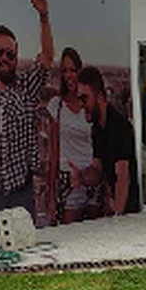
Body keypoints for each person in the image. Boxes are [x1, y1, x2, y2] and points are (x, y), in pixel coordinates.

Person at [0, 0, 54, 233]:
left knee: (25, 249)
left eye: (9, 53)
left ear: (16, 54)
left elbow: (46, 58)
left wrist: (43, 16)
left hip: (22, 188)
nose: (4, 58)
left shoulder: (27, 87)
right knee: (2, 250)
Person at [72, 66, 140, 216]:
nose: (81, 104)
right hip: (116, 208)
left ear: (100, 97)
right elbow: (98, 171)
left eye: (84, 98)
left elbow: (123, 176)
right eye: (79, 98)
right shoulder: (97, 128)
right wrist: (83, 176)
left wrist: (117, 215)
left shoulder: (119, 127)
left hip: (128, 213)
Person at [45, 47, 100, 224]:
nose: (69, 75)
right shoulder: (57, 106)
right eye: (65, 71)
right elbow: (53, 154)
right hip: (68, 182)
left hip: (93, 179)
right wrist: (52, 196)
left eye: (73, 70)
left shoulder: (91, 105)